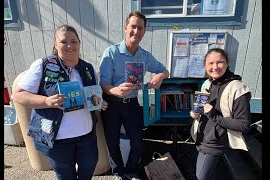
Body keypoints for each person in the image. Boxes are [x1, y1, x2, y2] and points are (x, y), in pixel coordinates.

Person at [11, 24, 108, 180]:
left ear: (79, 43)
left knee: (88, 168)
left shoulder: (88, 68)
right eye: (64, 42)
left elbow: (91, 97)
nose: (69, 45)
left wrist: (99, 102)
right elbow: (18, 95)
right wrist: (47, 101)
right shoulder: (43, 65)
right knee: (66, 175)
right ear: (56, 44)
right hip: (58, 140)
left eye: (74, 41)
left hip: (86, 136)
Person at [99, 11, 169, 179]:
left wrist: (160, 76)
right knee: (113, 143)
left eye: (140, 28)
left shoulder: (144, 55)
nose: (136, 31)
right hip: (112, 104)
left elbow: (165, 70)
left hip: (132, 104)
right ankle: (119, 173)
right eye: (133, 27)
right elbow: (103, 83)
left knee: (137, 142)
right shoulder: (112, 52)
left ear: (144, 31)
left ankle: (131, 171)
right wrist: (115, 90)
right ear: (125, 28)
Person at [189, 48, 251, 180]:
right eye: (210, 63)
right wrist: (196, 114)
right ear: (205, 66)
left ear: (227, 63)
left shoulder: (237, 88)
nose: (215, 67)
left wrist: (213, 115)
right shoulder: (206, 83)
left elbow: (243, 125)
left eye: (220, 62)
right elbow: (202, 110)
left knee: (201, 176)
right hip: (201, 136)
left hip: (215, 142)